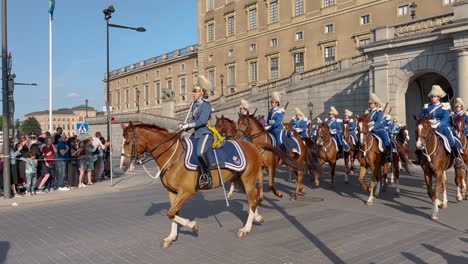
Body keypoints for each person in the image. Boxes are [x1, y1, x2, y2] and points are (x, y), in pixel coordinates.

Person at [179, 75, 213, 188]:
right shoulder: (194, 105)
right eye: (193, 91)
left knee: (200, 152)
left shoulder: (206, 105)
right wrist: (185, 126)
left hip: (205, 133)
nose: (193, 93)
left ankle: (207, 175)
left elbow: (202, 121)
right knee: (186, 149)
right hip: (196, 133)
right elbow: (193, 120)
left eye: (195, 91)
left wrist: (189, 124)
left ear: (201, 92)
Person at [419, 85, 462, 165]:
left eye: (434, 97)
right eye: (431, 97)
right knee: (420, 137)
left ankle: (455, 157)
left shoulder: (444, 106)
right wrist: (424, 120)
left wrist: (438, 124)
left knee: (450, 138)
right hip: (429, 127)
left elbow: (445, 118)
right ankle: (419, 157)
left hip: (442, 126)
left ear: (438, 97)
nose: (432, 98)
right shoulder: (427, 106)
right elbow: (421, 116)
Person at [366, 93, 392, 162]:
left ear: (375, 104)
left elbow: (378, 122)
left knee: (387, 140)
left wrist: (372, 127)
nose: (370, 105)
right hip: (371, 130)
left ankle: (389, 155)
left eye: (371, 104)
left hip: (379, 129)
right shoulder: (369, 112)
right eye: (370, 104)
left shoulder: (379, 112)